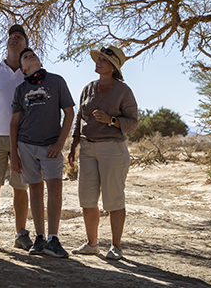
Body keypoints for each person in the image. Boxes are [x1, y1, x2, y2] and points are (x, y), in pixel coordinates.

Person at [67, 45, 138, 260]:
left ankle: (116, 246)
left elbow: (133, 122)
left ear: (114, 67)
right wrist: (74, 144)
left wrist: (112, 120)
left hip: (112, 149)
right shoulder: (88, 88)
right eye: (98, 59)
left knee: (114, 199)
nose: (98, 62)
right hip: (87, 148)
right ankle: (92, 244)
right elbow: (80, 116)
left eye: (103, 60)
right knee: (87, 199)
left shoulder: (123, 91)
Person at [10, 47, 75, 258]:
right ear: (22, 68)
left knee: (55, 188)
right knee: (34, 190)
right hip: (26, 145)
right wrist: (14, 152)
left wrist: (60, 143)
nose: (29, 55)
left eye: (32, 54)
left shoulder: (56, 81)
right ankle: (39, 237)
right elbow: (14, 123)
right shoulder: (20, 89)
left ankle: (53, 238)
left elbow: (69, 113)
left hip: (50, 146)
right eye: (25, 57)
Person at [0, 25, 34, 250]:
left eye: (19, 36)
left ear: (25, 45)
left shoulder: (31, 74)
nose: (14, 38)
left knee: (21, 188)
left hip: (23, 139)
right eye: (11, 36)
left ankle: (21, 234)